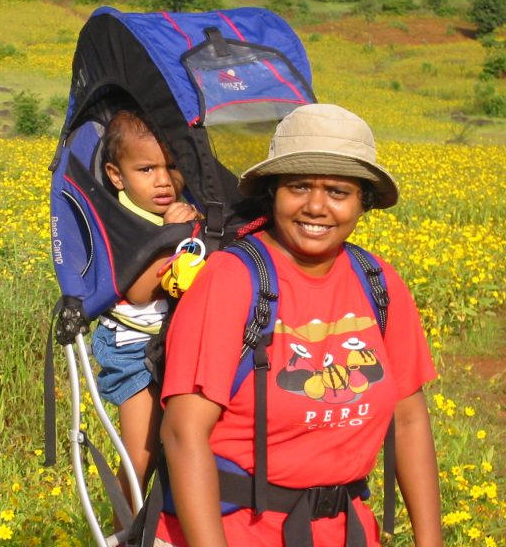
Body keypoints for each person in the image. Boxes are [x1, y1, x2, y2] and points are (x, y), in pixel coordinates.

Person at [155, 104, 442, 547]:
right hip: (234, 531)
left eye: (338, 191)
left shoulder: (378, 283)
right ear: (273, 193)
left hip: (344, 531)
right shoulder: (231, 281)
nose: (316, 206)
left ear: (363, 201)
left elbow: (408, 420)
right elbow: (182, 432)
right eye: (299, 186)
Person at [92, 110, 201, 524]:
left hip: (173, 341)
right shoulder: (122, 220)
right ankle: (126, 530)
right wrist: (170, 238)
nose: (162, 180)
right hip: (133, 351)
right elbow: (136, 289)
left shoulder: (181, 206)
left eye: (171, 166)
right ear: (117, 176)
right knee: (141, 456)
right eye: (146, 169)